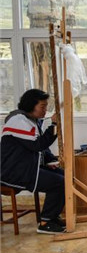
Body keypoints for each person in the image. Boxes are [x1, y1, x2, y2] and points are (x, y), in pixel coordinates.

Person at [1, 89, 66, 234]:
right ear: (31, 105)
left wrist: (51, 160)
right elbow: (37, 145)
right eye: (42, 106)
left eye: (46, 106)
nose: (45, 110)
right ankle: (45, 222)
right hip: (14, 172)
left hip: (26, 168)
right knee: (59, 182)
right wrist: (54, 125)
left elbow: (42, 148)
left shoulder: (31, 121)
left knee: (64, 176)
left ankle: (52, 216)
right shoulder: (18, 121)